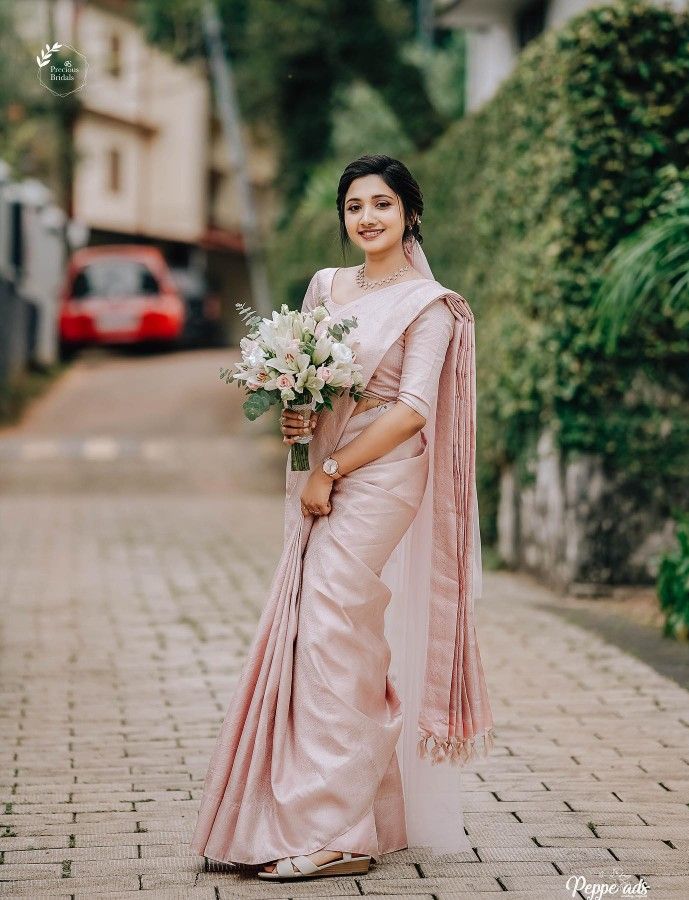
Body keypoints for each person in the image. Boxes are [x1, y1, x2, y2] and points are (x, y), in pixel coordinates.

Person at [189, 154, 495, 882]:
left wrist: (333, 470)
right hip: (324, 468)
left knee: (332, 622)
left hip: (381, 473)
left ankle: (338, 833)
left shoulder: (430, 306)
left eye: (383, 204)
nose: (368, 218)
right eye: (355, 206)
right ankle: (346, 817)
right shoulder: (327, 286)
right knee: (322, 637)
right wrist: (297, 416)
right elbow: (317, 387)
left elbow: (414, 410)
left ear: (409, 214)